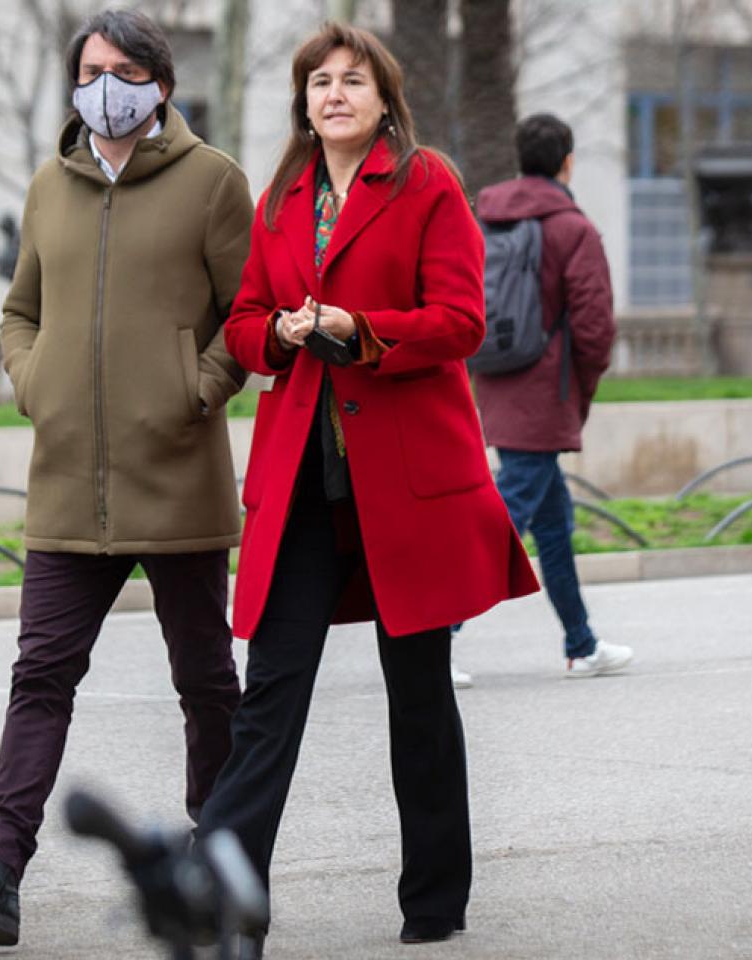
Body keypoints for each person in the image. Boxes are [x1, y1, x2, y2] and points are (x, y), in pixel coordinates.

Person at [0, 9, 254, 947]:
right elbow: (20, 312)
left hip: (176, 475)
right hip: (65, 482)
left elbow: (247, 315)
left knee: (207, 682)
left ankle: (218, 862)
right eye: (93, 69)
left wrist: (197, 389)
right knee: (41, 674)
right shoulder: (48, 187)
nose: (108, 85)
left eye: (127, 70)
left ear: (162, 86)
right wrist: (35, 382)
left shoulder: (214, 183)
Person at [194, 23, 538, 957]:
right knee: (270, 692)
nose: (333, 94)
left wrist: (362, 330)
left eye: (353, 81)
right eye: (318, 82)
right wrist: (286, 334)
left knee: (418, 692)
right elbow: (246, 320)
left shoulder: (426, 183)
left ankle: (433, 902)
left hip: (405, 483)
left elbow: (462, 320)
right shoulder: (281, 199)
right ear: (303, 101)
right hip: (303, 477)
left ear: (385, 97)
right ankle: (229, 902)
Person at [467, 113, 632, 682]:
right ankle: (436, 633)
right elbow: (594, 325)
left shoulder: (486, 217)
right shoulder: (572, 228)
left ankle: (581, 643)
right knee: (503, 520)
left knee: (553, 520)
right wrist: (586, 377)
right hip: (545, 388)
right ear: (567, 161)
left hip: (493, 375)